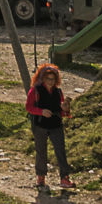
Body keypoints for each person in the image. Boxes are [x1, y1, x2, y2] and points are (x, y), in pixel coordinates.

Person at [27, 61, 73, 191]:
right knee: (41, 151)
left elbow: (63, 112)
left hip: (56, 125)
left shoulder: (58, 92)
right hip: (40, 125)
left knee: (61, 151)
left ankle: (65, 178)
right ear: (42, 78)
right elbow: (28, 107)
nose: (51, 81)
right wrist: (41, 112)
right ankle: (41, 177)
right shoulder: (35, 90)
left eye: (53, 79)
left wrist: (66, 109)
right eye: (48, 79)